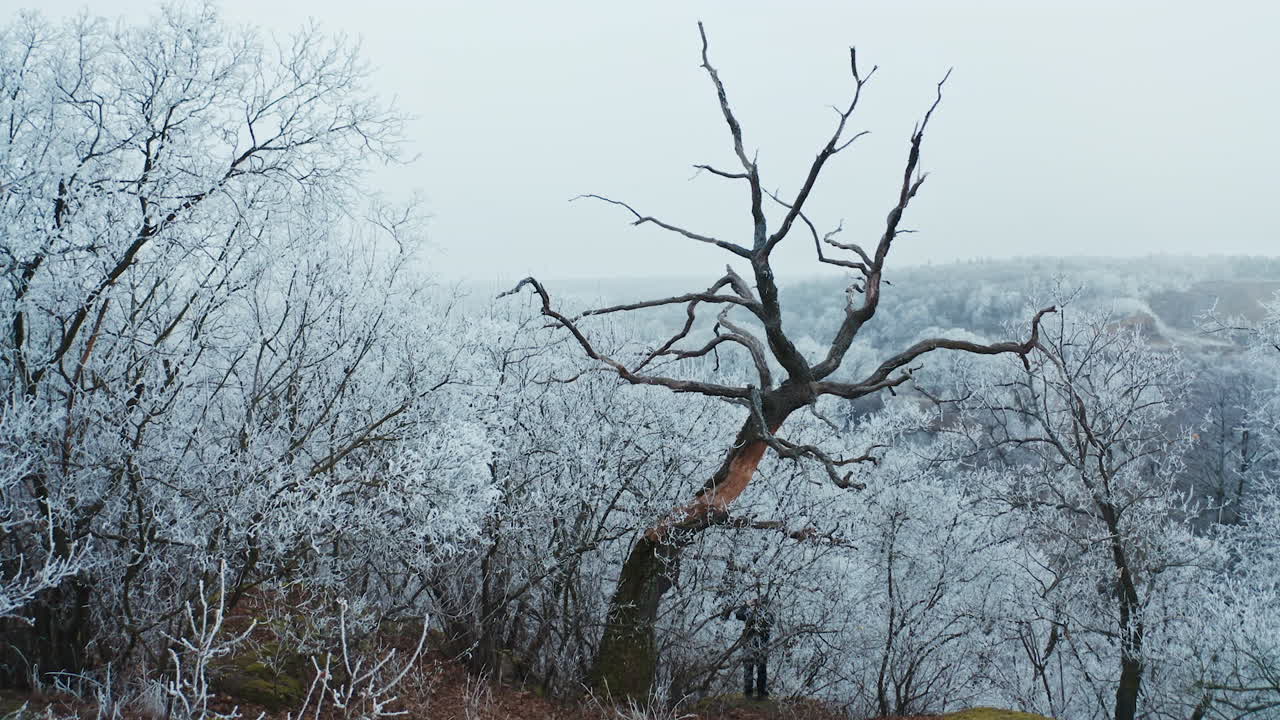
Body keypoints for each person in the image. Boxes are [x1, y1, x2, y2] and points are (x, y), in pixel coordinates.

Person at [731, 600, 774, 699]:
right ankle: (749, 693)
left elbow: (771, 621)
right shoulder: (749, 613)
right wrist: (746, 605)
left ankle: (761, 693)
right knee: (748, 669)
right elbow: (738, 615)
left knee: (761, 669)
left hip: (761, 645)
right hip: (749, 645)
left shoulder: (766, 613)